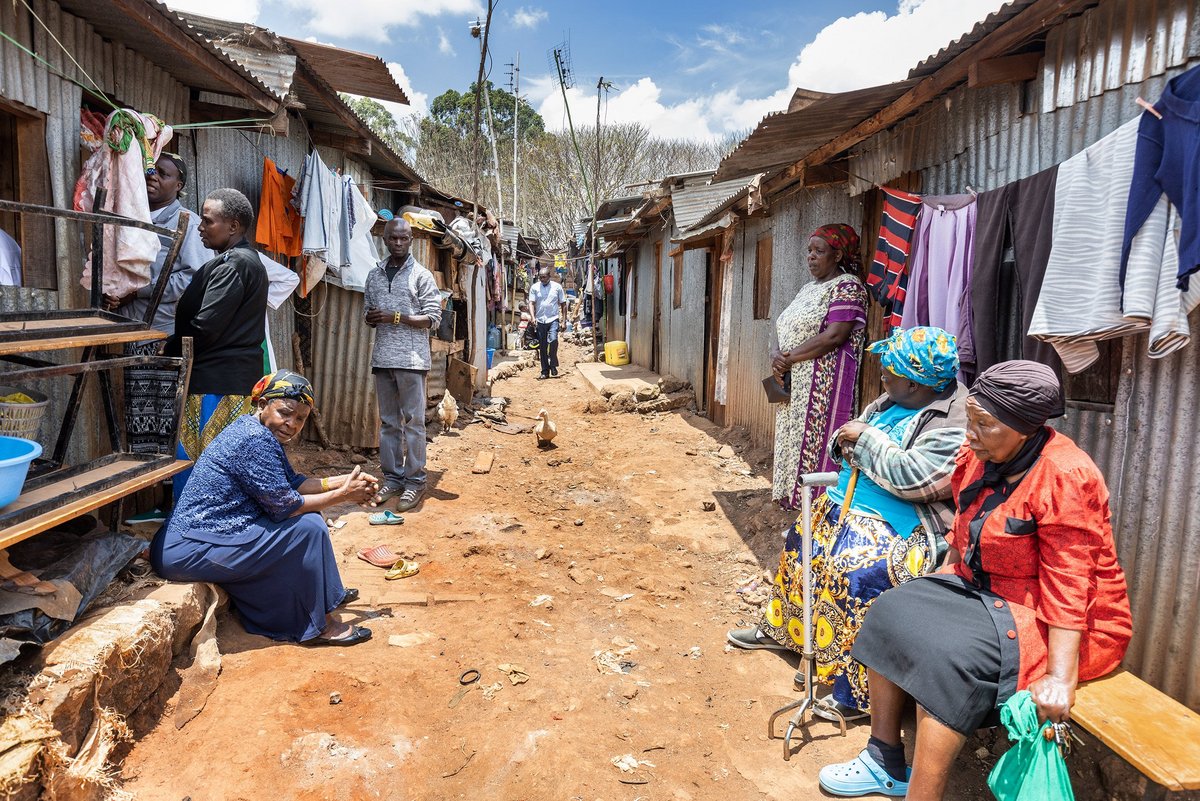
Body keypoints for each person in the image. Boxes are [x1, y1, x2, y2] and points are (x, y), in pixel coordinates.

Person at [818, 361, 1132, 800]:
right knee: (891, 610)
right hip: (984, 592)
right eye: (970, 420)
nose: (970, 434)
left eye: (984, 425)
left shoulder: (1065, 475)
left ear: (1022, 428)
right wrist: (932, 590)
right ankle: (883, 758)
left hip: (1059, 618)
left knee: (947, 658)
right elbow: (963, 533)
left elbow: (1071, 582)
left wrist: (1062, 677)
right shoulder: (980, 455)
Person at [729, 327, 968, 720]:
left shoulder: (953, 419)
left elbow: (917, 479)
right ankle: (788, 633)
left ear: (915, 381)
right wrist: (855, 441)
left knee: (855, 570)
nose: (882, 378)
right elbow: (843, 441)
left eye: (890, 373)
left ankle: (854, 691)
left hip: (903, 525)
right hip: (848, 505)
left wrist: (867, 441)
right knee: (802, 543)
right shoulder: (893, 398)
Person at [151, 371, 378, 645]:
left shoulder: (258, 431)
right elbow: (287, 507)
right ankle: (319, 626)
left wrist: (346, 480)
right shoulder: (252, 439)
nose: (291, 424)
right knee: (307, 528)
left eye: (300, 419)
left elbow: (293, 483)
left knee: (311, 520)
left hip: (197, 540)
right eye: (285, 412)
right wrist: (344, 495)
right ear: (262, 404)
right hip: (189, 548)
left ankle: (327, 596)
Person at [105, 154, 213, 463]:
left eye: (163, 174)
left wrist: (137, 291)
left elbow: (193, 277)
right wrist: (114, 294)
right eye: (151, 171)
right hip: (127, 331)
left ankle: (167, 491)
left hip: (162, 334)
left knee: (164, 417)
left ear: (178, 185)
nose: (153, 177)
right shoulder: (129, 217)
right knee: (137, 418)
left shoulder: (188, 224)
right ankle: (144, 486)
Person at [165, 188, 268, 498]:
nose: (200, 227)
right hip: (227, 380)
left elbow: (205, 327)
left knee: (206, 465)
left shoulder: (233, 265)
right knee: (224, 464)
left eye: (208, 222)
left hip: (217, 384)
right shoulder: (239, 262)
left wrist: (169, 348)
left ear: (233, 226)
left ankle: (195, 532)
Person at [772, 223, 869, 510]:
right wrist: (776, 355)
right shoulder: (807, 289)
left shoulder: (848, 287)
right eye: (809, 251)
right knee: (792, 438)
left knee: (816, 442)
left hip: (821, 385)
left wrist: (788, 358)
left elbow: (834, 336)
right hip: (793, 380)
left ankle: (817, 509)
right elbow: (786, 326)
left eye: (819, 251)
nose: (811, 257)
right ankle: (794, 502)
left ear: (837, 256)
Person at [364, 218, 441, 513]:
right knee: (388, 424)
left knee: (414, 424)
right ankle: (393, 479)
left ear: (411, 241)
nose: (398, 243)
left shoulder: (421, 276)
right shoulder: (374, 275)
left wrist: (397, 317)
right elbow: (368, 314)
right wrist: (372, 318)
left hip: (412, 360)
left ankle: (416, 482)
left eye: (404, 239)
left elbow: (433, 318)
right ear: (385, 239)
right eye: (393, 238)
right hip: (383, 358)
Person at [528, 266, 567, 379]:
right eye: (540, 277)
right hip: (540, 320)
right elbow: (531, 303)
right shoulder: (535, 287)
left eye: (544, 277)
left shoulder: (557, 287)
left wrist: (564, 321)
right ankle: (545, 371)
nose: (542, 279)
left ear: (549, 276)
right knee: (543, 346)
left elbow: (563, 304)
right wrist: (532, 317)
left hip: (553, 319)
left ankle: (553, 363)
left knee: (553, 340)